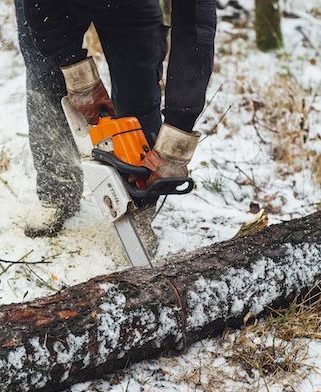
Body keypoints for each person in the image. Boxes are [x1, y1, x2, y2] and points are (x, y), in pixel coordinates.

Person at [15, 0, 217, 243]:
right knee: (48, 77)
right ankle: (57, 193)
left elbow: (195, 26)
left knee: (139, 87)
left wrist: (178, 133)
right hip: (52, 6)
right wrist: (76, 73)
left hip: (132, 6)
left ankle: (138, 203)